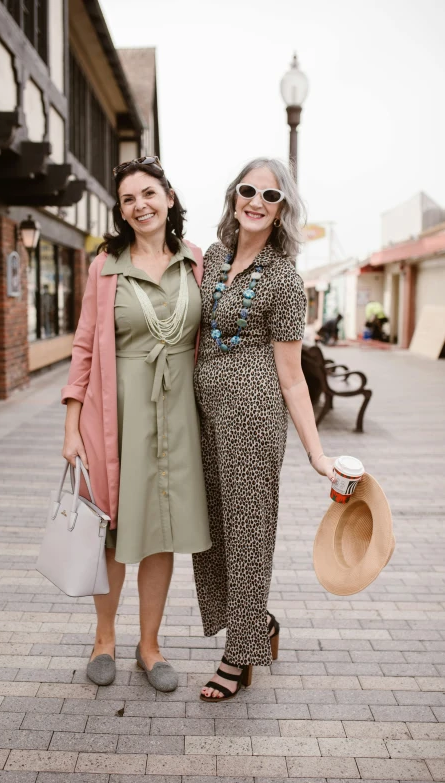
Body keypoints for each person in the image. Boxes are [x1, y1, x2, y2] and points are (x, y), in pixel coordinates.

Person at [61, 156, 211, 693]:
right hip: (115, 414)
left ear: (168, 197)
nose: (140, 205)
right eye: (128, 199)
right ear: (121, 211)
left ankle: (150, 646)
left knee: (161, 532)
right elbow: (82, 348)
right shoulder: (105, 267)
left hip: (178, 417)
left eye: (149, 193)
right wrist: (72, 424)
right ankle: (105, 639)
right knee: (112, 530)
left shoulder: (196, 262)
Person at [193, 158, 336, 701]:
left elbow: (294, 379)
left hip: (253, 418)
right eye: (248, 190)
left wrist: (317, 454)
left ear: (281, 211)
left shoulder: (284, 280)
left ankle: (240, 654)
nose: (256, 201)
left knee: (248, 534)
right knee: (210, 530)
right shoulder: (211, 257)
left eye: (269, 196)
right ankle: (260, 624)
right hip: (203, 415)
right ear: (234, 197)